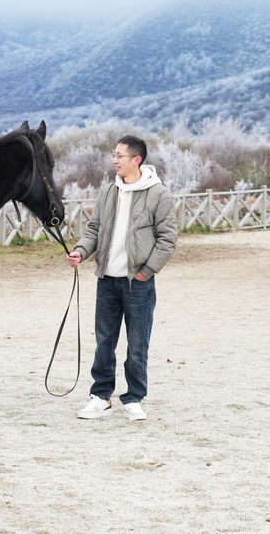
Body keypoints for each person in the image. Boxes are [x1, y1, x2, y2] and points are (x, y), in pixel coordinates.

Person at [67, 135, 177, 421]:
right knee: (104, 342)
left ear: (136, 160)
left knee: (137, 344)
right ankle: (101, 397)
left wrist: (145, 272)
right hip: (107, 281)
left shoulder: (158, 194)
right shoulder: (108, 192)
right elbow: (94, 230)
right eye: (113, 155)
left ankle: (134, 398)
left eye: (120, 156)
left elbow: (167, 240)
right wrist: (81, 252)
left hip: (138, 284)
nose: (114, 160)